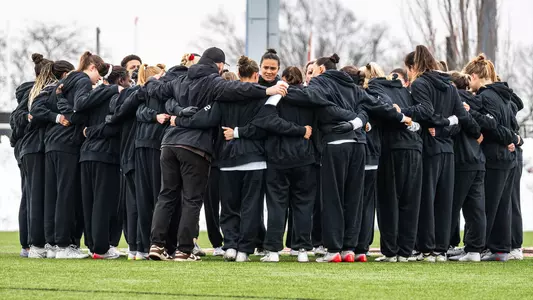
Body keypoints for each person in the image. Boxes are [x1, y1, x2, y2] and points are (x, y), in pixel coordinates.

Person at [145, 47, 287, 261]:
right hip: (194, 147)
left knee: (166, 195)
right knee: (192, 199)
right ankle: (184, 250)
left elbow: (156, 91)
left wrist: (155, 83)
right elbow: (238, 91)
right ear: (219, 65)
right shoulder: (214, 82)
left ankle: (156, 245)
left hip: (169, 143)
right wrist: (266, 91)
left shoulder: (179, 81)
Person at [399, 45, 481, 262]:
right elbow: (461, 116)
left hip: (428, 148)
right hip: (448, 151)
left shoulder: (420, 84)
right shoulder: (449, 85)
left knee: (426, 198)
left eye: (408, 69)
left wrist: (400, 111)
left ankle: (426, 249)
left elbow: (425, 110)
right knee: (445, 201)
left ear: (414, 66)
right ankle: (440, 249)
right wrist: (453, 126)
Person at [45, 51, 110, 258]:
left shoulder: (65, 82)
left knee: (54, 195)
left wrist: (66, 112)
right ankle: (64, 245)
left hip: (52, 142)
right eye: (98, 75)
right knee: (66, 195)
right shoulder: (82, 80)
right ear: (92, 68)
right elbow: (81, 104)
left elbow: (57, 103)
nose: (98, 80)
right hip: (68, 143)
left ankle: (55, 244)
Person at [463, 54, 519, 261]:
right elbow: (511, 126)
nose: (469, 86)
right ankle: (501, 248)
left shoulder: (486, 97)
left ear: (475, 76)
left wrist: (471, 113)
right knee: (503, 204)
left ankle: (484, 246)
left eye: (469, 80)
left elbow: (492, 125)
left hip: (493, 155)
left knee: (487, 204)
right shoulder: (504, 96)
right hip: (507, 157)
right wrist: (512, 138)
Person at [74, 65, 128, 259]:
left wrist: (88, 132)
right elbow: (114, 127)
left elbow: (81, 120)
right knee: (103, 203)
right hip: (106, 156)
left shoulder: (92, 97)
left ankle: (92, 246)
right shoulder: (118, 97)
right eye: (128, 80)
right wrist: (96, 131)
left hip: (85, 154)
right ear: (120, 81)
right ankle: (101, 248)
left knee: (88, 202)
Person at [9, 53, 51, 257]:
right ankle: (35, 244)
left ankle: (27, 244)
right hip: (36, 147)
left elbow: (16, 121)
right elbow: (22, 118)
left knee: (28, 194)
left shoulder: (27, 93)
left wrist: (15, 141)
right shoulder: (38, 94)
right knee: (35, 195)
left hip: (25, 149)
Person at [444, 71, 487, 262]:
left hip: (462, 160)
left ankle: (443, 246)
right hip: (478, 159)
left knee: (450, 206)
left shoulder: (455, 102)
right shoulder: (476, 101)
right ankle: (474, 250)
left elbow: (456, 127)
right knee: (475, 208)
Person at [134, 63, 170, 259]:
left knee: (144, 198)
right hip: (157, 144)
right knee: (160, 196)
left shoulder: (142, 92)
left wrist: (150, 116)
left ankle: (143, 246)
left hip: (140, 145)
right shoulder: (162, 91)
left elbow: (139, 112)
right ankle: (158, 244)